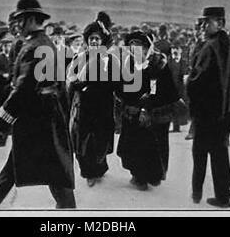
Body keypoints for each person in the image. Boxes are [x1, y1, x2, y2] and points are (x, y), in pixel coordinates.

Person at [0, 0, 75, 209]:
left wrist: (1, 119)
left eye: (19, 20)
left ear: (29, 19)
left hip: (38, 116)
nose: (17, 25)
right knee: (21, 155)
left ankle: (68, 207)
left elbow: (24, 88)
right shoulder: (43, 43)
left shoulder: (34, 47)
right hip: (45, 113)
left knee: (54, 165)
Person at [187, 7, 230, 208]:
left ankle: (196, 193)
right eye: (204, 22)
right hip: (227, 111)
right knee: (219, 152)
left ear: (221, 23)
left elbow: (197, 80)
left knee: (199, 151)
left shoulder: (209, 47)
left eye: (208, 22)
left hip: (208, 111)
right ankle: (223, 196)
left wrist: (187, 81)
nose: (204, 26)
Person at [116, 31, 170, 190]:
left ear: (147, 47)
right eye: (131, 47)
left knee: (147, 147)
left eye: (139, 47)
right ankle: (137, 174)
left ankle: (145, 177)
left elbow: (156, 90)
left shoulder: (156, 63)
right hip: (130, 111)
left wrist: (145, 108)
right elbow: (120, 87)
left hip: (149, 112)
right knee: (131, 146)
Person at [67, 21, 119, 187]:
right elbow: (71, 80)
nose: (94, 42)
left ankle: (99, 167)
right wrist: (81, 85)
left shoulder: (110, 60)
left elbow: (115, 83)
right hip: (83, 107)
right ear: (87, 41)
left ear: (102, 41)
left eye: (97, 39)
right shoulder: (79, 58)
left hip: (102, 107)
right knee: (83, 143)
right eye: (91, 39)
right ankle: (89, 172)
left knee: (100, 141)